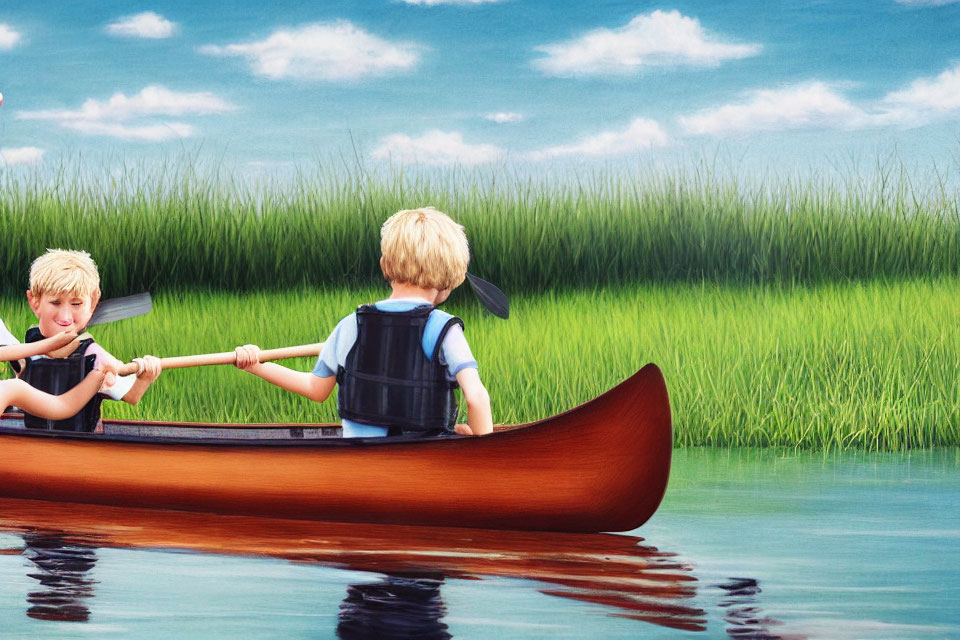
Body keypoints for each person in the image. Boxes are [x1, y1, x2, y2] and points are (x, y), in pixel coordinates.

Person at [235, 206, 493, 437]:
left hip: (361, 457)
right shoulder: (443, 330)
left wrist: (256, 365)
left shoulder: (351, 325)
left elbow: (315, 388)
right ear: (450, 279)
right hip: (424, 458)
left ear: (384, 266)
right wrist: (481, 449)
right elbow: (476, 398)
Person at [16, 249, 161, 432]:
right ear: (34, 301)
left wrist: (145, 377)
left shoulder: (93, 355)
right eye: (55, 303)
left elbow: (131, 396)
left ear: (93, 303)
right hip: (35, 441)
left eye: (76, 304)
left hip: (81, 444)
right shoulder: (28, 347)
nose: (66, 317)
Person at [0, 319, 110, 420]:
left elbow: (62, 406)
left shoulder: (10, 388)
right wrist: (97, 376)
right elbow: (62, 407)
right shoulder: (10, 389)